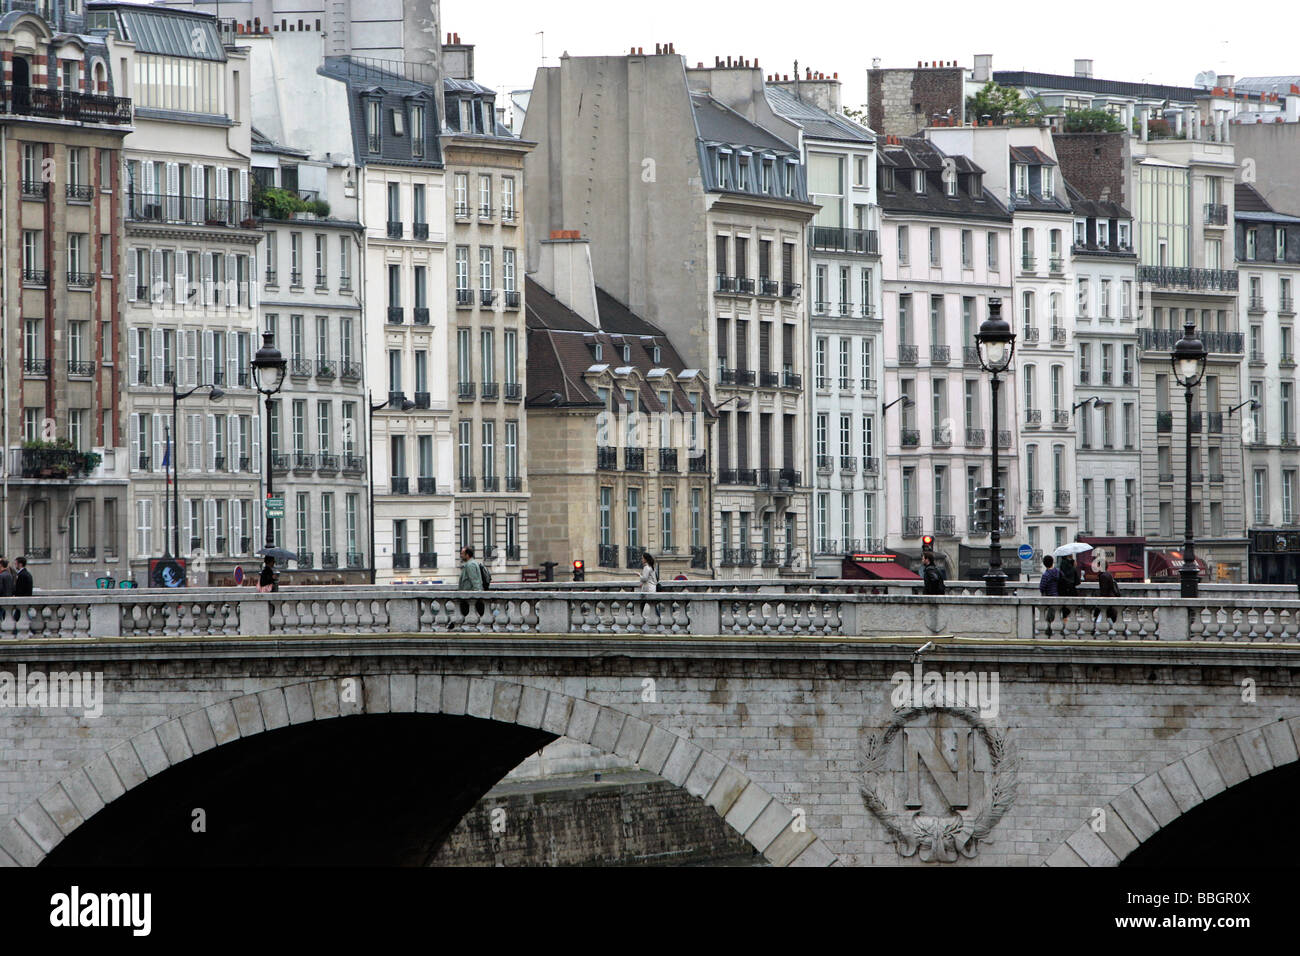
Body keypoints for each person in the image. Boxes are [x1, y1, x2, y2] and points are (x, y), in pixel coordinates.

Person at [458, 546, 487, 620]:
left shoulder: (470, 565)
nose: (461, 555)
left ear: (467, 555)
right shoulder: (472, 563)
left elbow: (475, 580)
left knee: (462, 613)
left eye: (462, 553)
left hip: (469, 594)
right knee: (463, 613)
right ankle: (453, 626)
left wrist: (478, 593)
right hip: (469, 594)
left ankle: (452, 626)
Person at [1039, 554, 1062, 633]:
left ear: (1044, 564)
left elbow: (1042, 587)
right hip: (1059, 596)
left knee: (1049, 617)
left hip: (1050, 597)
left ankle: (1049, 631)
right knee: (1058, 615)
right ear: (1052, 562)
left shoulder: (1046, 575)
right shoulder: (1058, 572)